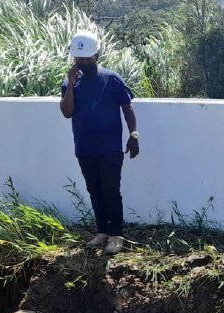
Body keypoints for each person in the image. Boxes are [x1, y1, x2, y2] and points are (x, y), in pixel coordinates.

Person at [60, 30, 140, 255]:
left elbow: (127, 107)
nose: (82, 62)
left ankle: (117, 235)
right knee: (94, 189)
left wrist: (134, 134)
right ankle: (102, 232)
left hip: (110, 147)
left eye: (86, 58)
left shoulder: (111, 79)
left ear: (96, 55)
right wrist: (71, 84)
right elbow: (67, 112)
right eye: (78, 58)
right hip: (84, 147)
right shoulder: (71, 82)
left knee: (110, 189)